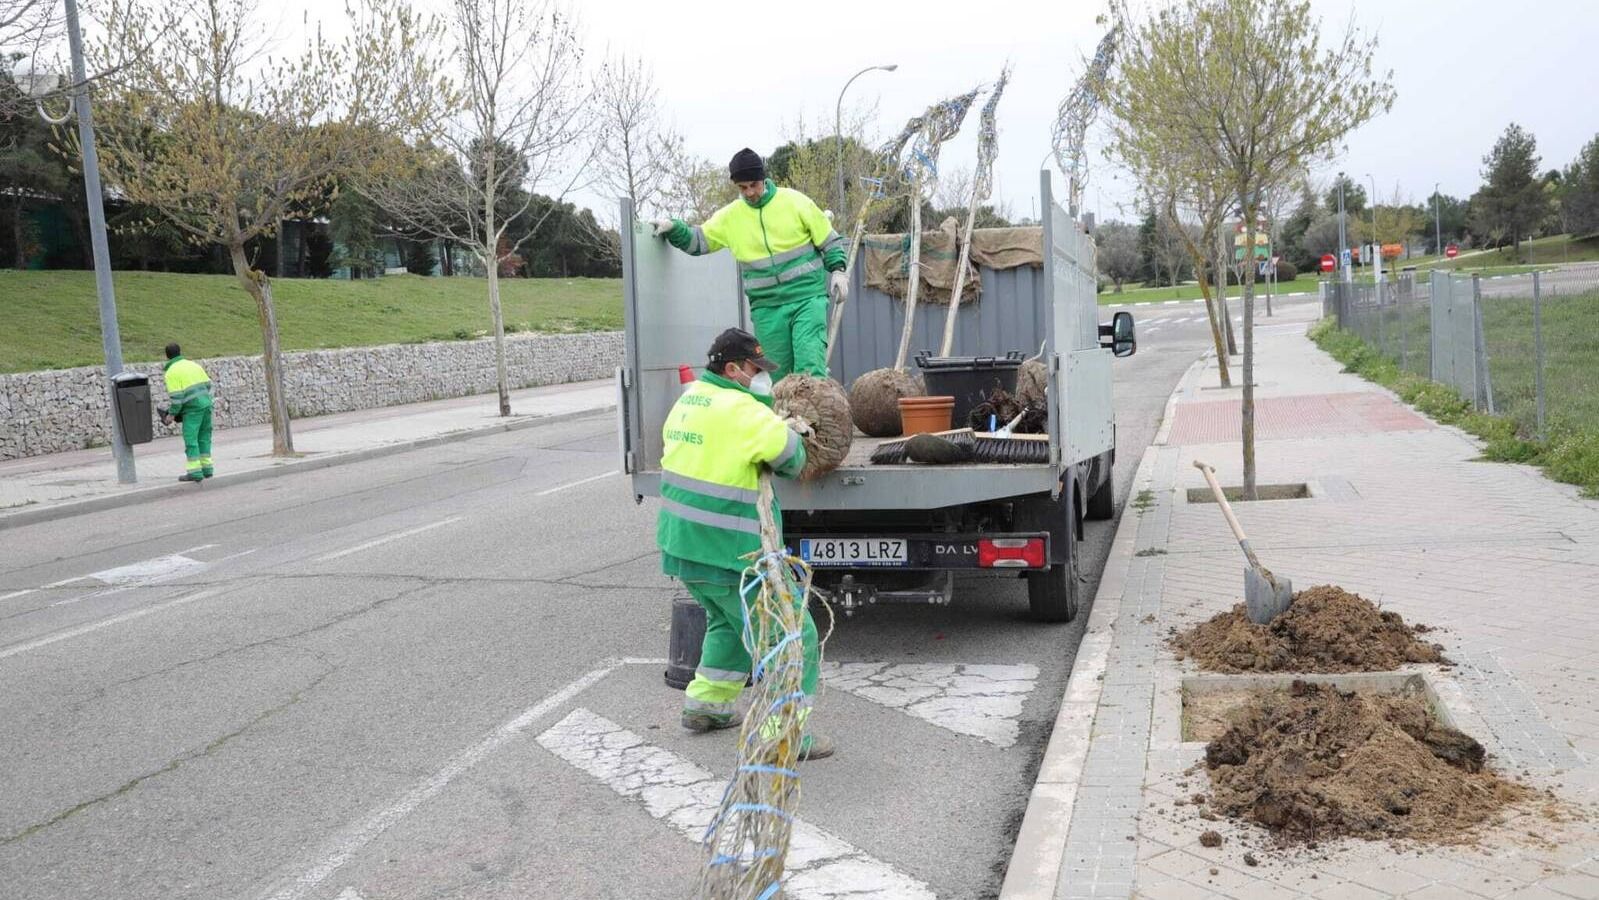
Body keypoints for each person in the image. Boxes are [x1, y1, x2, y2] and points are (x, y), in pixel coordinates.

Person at [656, 327, 833, 760]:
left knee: (726, 623)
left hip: (683, 547)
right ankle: (782, 736)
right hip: (734, 552)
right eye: (756, 370)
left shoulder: (690, 399)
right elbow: (792, 461)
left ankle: (707, 706)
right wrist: (785, 425)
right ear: (732, 369)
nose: (761, 379)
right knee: (793, 638)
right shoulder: (744, 411)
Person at [652, 148, 848, 381]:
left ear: (764, 179)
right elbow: (698, 241)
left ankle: (813, 418)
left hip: (807, 298)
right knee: (777, 375)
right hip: (767, 307)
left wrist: (838, 270)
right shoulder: (730, 217)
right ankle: (784, 418)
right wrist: (674, 228)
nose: (750, 192)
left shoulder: (796, 202)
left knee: (809, 367)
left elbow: (829, 239)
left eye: (754, 184)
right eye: (743, 188)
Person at [160, 343, 214, 483]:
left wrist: (171, 415)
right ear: (180, 352)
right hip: (206, 405)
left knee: (191, 440)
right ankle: (207, 469)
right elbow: (208, 385)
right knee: (204, 437)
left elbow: (177, 399)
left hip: (192, 410)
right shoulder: (193, 365)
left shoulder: (171, 372)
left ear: (167, 356)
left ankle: (195, 472)